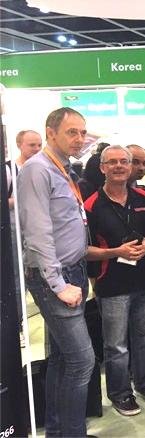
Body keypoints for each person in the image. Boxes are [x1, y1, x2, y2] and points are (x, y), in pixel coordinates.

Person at [17, 107, 96, 438]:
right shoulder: (37, 169)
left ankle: (59, 431)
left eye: (82, 132)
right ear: (51, 133)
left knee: (63, 359)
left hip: (73, 271)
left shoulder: (63, 168)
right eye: (71, 132)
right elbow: (38, 234)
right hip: (55, 278)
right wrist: (58, 284)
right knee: (82, 360)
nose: (79, 139)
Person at [84, 145, 145, 416]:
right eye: (112, 162)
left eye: (123, 162)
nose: (119, 166)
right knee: (116, 346)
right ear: (102, 168)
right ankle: (120, 394)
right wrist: (116, 252)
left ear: (130, 167)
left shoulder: (142, 197)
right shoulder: (91, 205)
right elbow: (83, 250)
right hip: (112, 286)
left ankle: (144, 383)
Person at [7, 129, 42, 347]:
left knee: (35, 277)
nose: (37, 149)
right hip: (15, 233)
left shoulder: (43, 169)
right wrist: (22, 199)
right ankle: (16, 325)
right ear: (19, 145)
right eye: (32, 145)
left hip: (37, 233)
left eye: (39, 145)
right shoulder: (9, 170)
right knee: (17, 279)